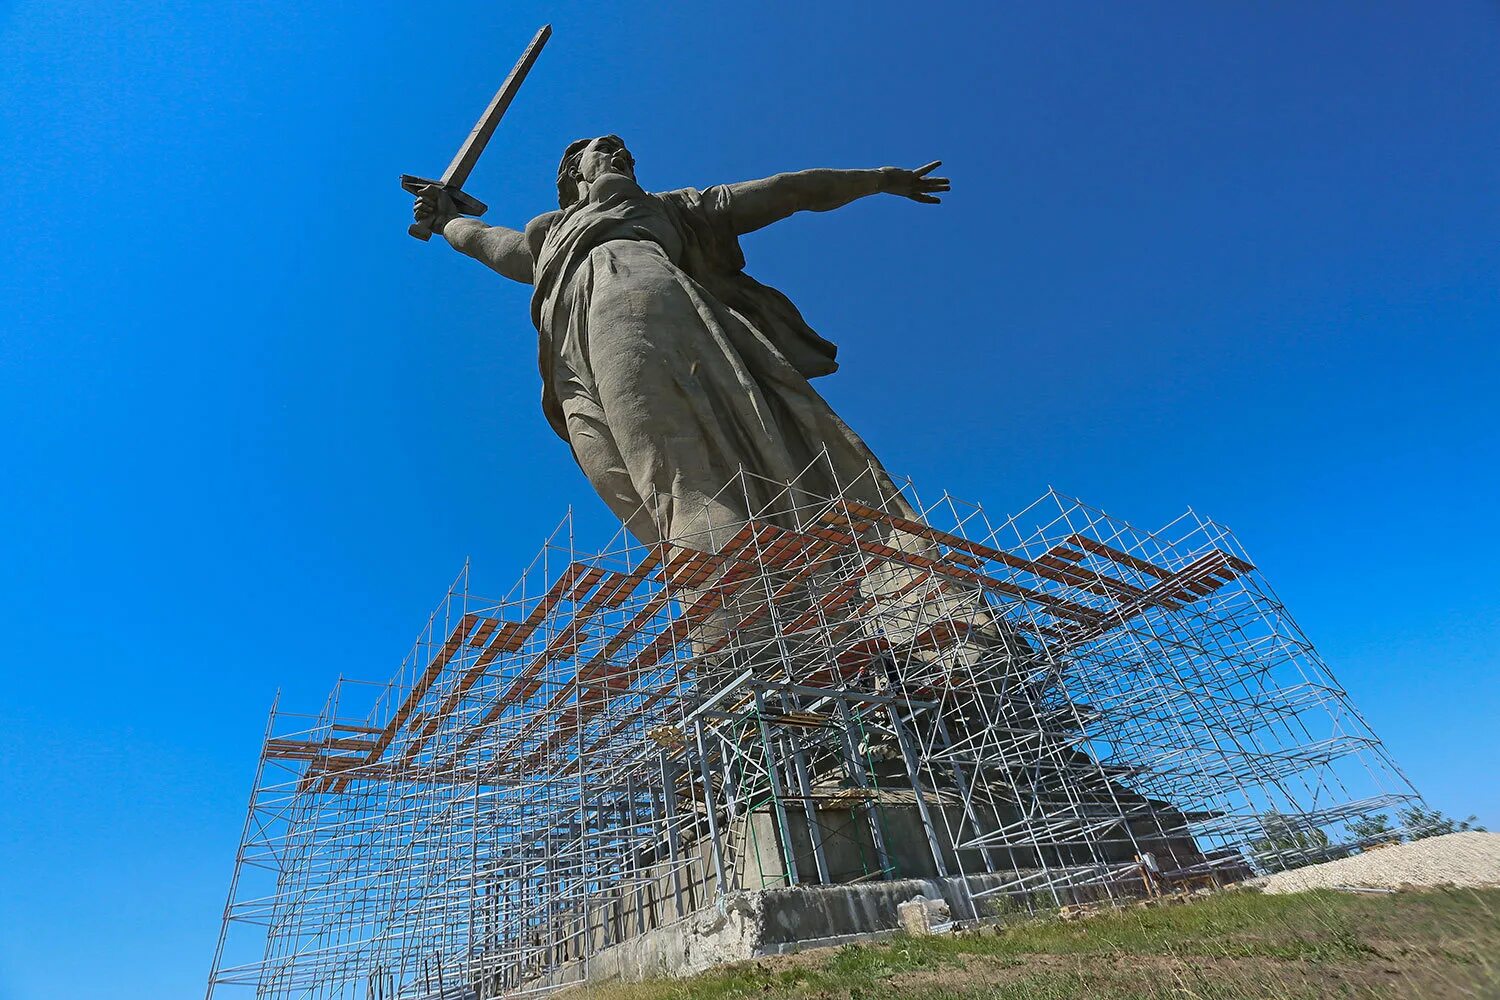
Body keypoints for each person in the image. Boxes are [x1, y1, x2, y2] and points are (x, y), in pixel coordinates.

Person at [413, 135, 949, 550]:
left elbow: (788, 191)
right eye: (606, 150)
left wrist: (879, 179)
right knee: (627, 483)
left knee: (678, 474)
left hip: (631, 286)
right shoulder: (547, 234)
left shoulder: (669, 209)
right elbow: (488, 242)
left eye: (626, 153)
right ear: (574, 170)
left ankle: (745, 626)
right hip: (565, 348)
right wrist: (446, 220)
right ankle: (746, 605)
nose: (621, 155)